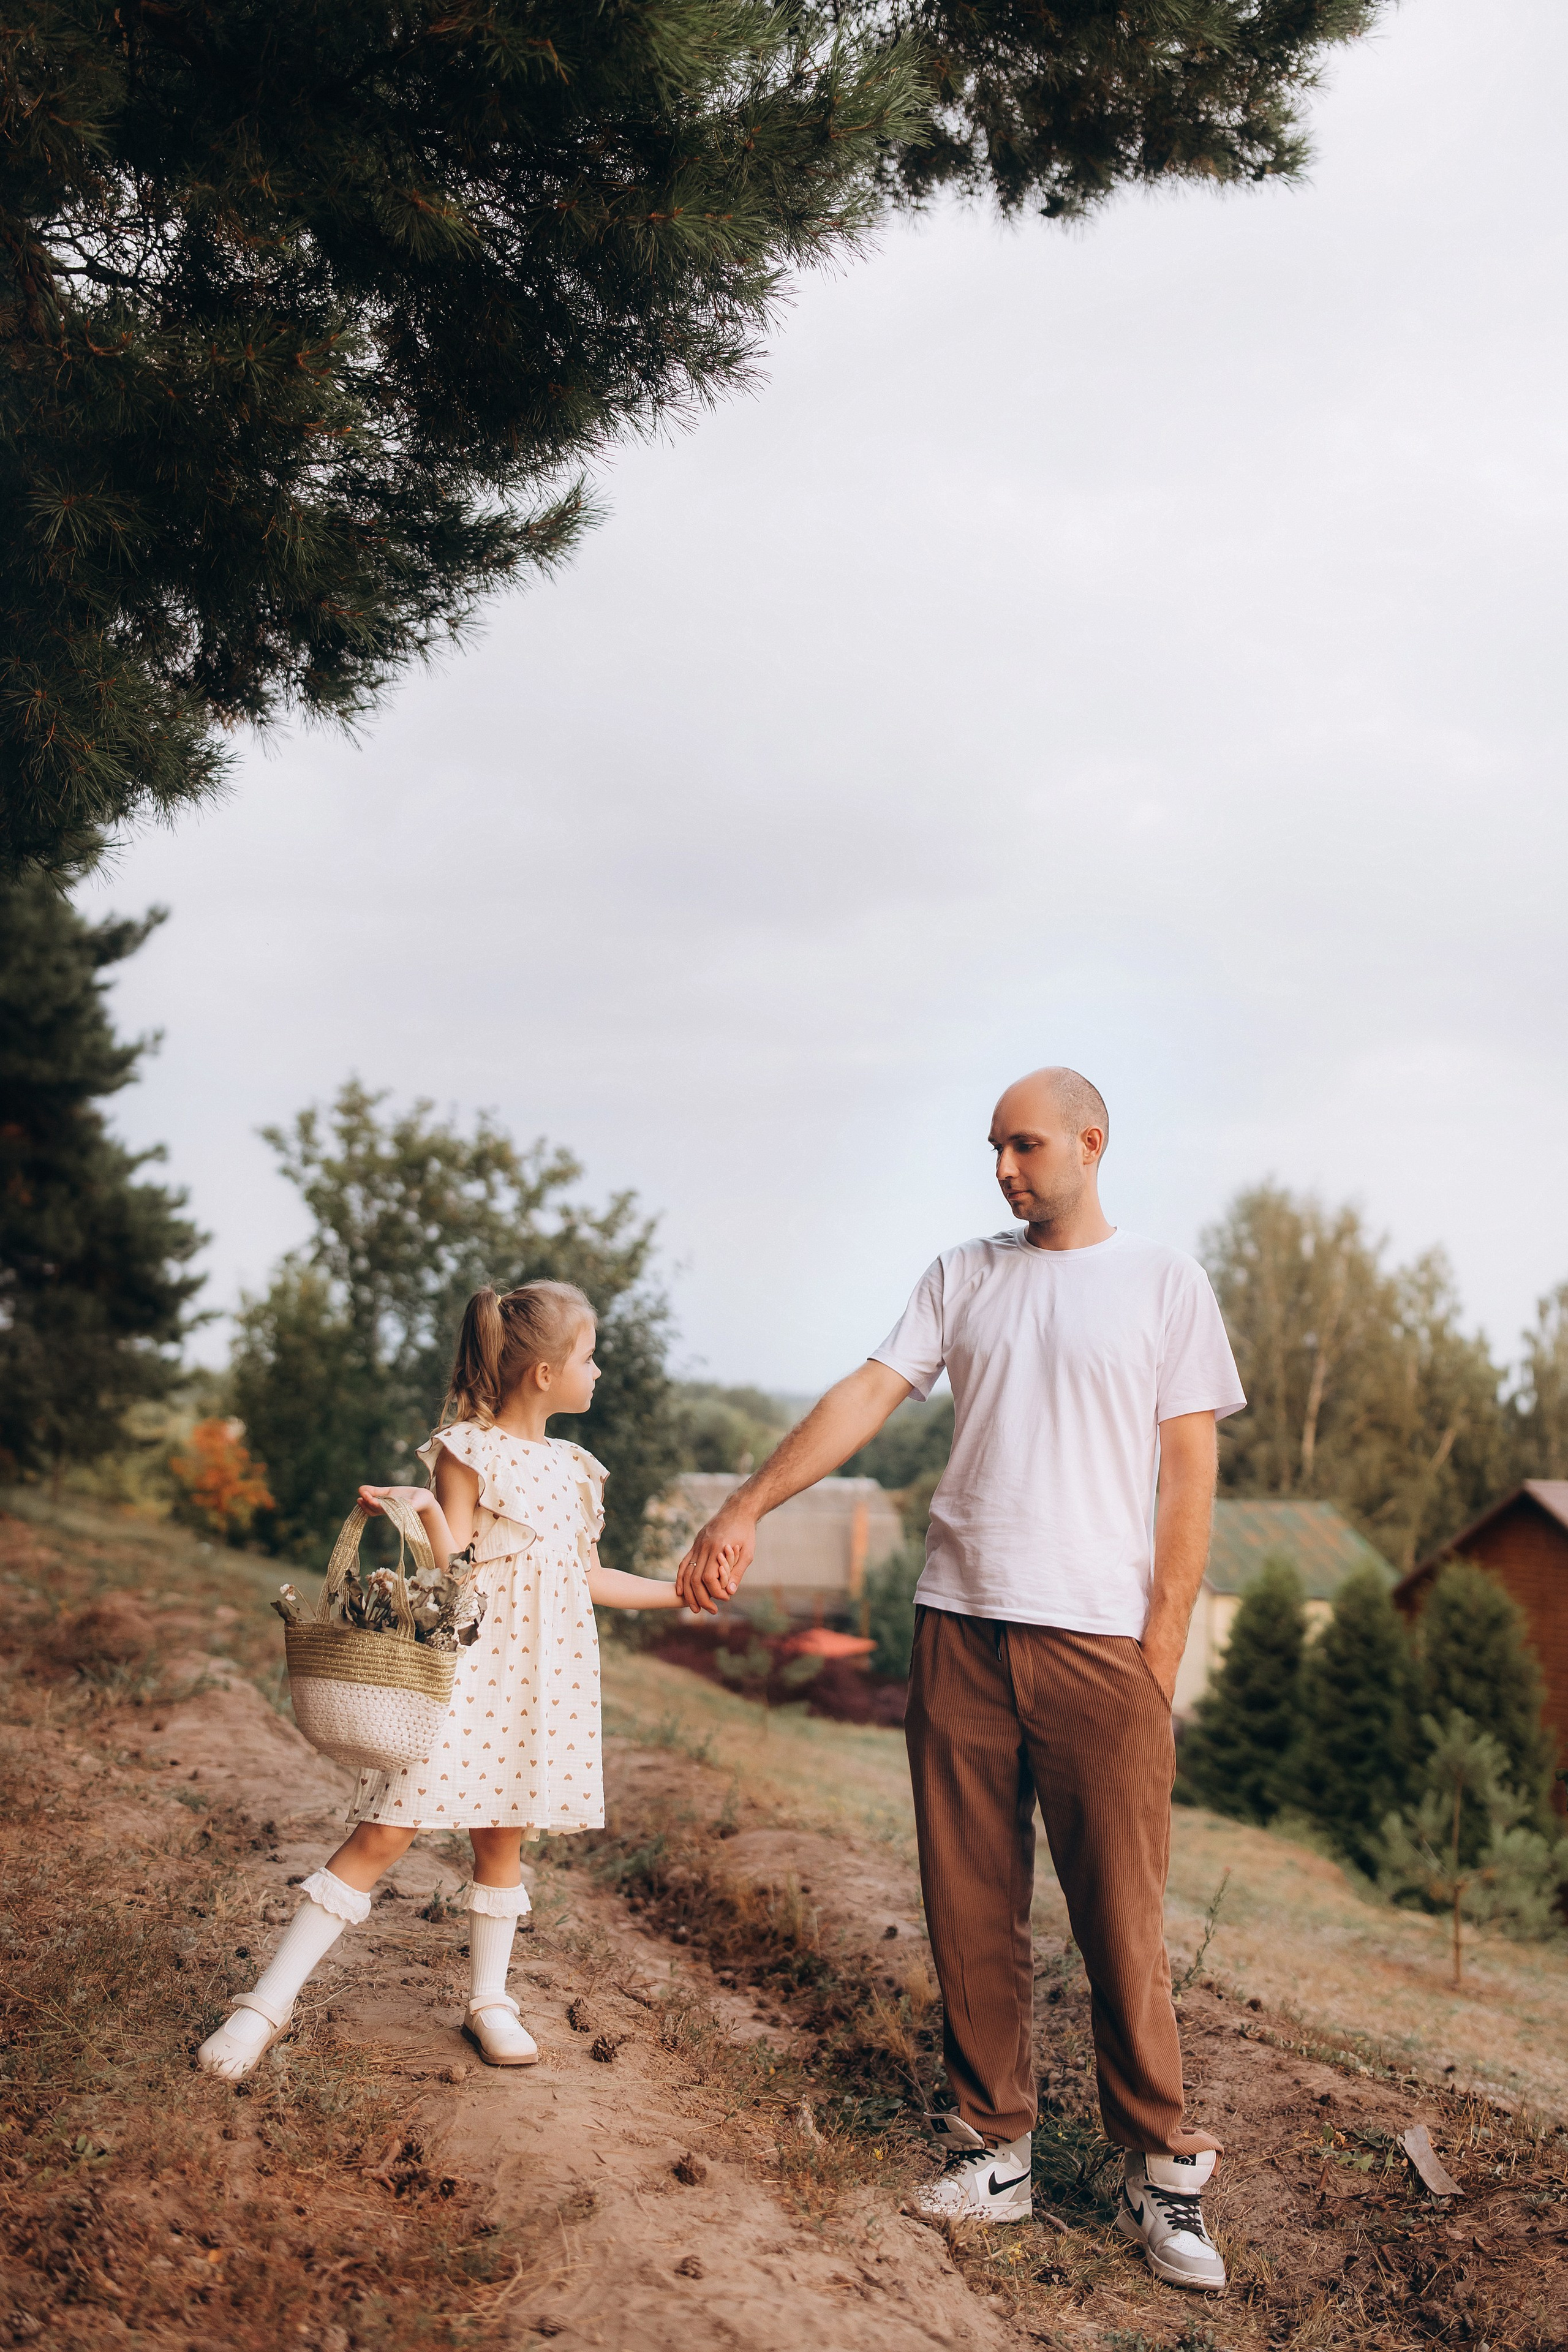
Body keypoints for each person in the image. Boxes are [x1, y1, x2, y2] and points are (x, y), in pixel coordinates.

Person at [676, 1069, 1245, 2293]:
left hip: (1100, 1649)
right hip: (960, 1629)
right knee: (969, 1904)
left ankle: (1160, 2172)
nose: (1002, 1167)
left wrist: (1159, 1649)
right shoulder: (962, 1275)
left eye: (1024, 1144)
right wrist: (743, 1506)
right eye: (992, 1147)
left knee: (1120, 1921)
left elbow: (1188, 1476)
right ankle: (995, 2150)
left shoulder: (1161, 1284)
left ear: (1091, 1145)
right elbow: (866, 1397)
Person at [200, 1280, 692, 2081]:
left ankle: (489, 2001)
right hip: (469, 1670)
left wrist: (678, 1592)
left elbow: (587, 1576)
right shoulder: (469, 1448)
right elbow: (453, 1560)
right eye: (590, 1358)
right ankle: (266, 2003)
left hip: (543, 1677)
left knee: (504, 1835)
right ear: (543, 1375)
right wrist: (421, 1506)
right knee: (389, 1829)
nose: (598, 1373)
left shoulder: (577, 1470)